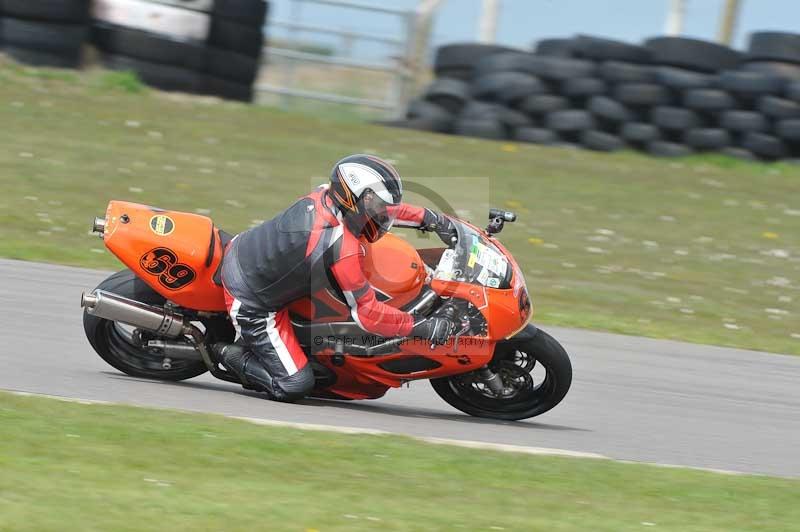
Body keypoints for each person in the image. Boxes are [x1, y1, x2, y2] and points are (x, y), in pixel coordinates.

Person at [216, 154, 457, 401]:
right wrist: (418, 326)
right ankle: (229, 353)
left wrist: (431, 218)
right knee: (295, 385)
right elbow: (368, 314)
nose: (383, 213)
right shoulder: (340, 246)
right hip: (252, 300)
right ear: (353, 200)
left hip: (252, 253)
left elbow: (386, 209)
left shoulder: (327, 194)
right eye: (374, 205)